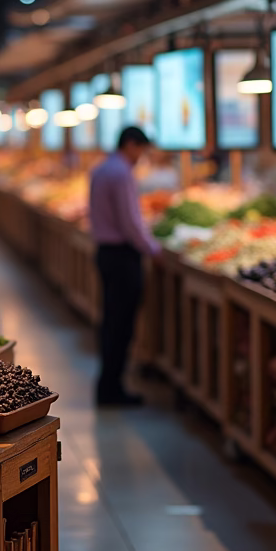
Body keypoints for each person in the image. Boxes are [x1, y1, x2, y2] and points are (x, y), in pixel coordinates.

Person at [89, 126, 160, 407]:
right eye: (141, 150)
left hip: (105, 253)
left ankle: (108, 385)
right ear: (130, 145)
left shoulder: (101, 169)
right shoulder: (121, 174)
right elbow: (130, 222)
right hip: (122, 257)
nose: (141, 157)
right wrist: (151, 248)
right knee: (121, 325)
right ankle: (112, 388)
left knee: (111, 321)